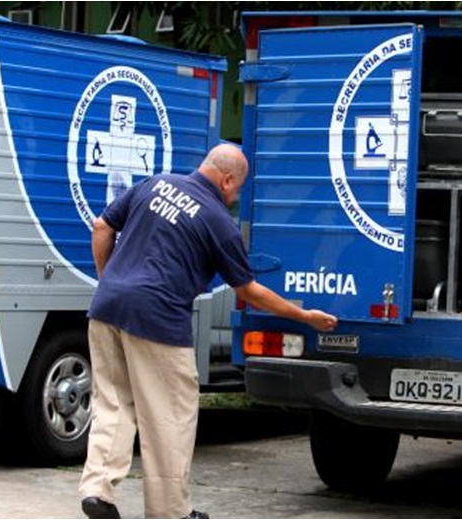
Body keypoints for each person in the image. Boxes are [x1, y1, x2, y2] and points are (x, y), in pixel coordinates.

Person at [78, 144, 337, 519]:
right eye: (236, 189)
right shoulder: (218, 221)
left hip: (107, 309)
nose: (234, 197)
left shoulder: (154, 183)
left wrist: (111, 282)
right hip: (159, 320)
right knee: (170, 416)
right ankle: (172, 513)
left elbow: (102, 226)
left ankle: (98, 491)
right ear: (227, 179)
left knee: (114, 403)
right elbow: (248, 291)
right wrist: (303, 315)